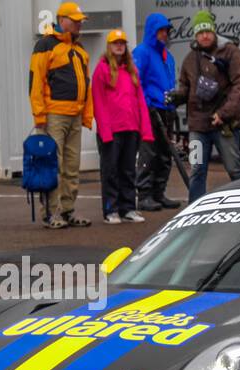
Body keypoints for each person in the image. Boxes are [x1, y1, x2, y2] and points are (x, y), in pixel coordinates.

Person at [170, 11, 240, 203]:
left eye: (207, 31)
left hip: (224, 125)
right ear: (195, 35)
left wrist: (224, 113)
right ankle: (194, 210)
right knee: (196, 170)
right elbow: (185, 88)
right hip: (197, 127)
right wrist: (174, 98)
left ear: (214, 32)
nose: (204, 35)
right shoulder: (190, 58)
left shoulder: (230, 52)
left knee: (234, 168)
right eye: (200, 32)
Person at [29, 2, 94, 228]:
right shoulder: (45, 45)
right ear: (62, 20)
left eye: (80, 21)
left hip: (74, 116)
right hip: (54, 115)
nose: (78, 25)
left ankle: (67, 211)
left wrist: (87, 116)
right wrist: (40, 116)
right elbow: (35, 82)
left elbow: (87, 85)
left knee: (71, 167)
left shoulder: (79, 49)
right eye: (75, 21)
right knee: (51, 166)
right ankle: (50, 213)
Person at [92, 30, 152, 224]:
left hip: (130, 127)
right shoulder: (101, 70)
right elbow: (99, 102)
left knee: (128, 170)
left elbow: (140, 101)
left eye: (122, 43)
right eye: (115, 43)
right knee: (110, 171)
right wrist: (105, 130)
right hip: (112, 129)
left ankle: (128, 208)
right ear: (109, 46)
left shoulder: (131, 71)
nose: (119, 46)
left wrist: (145, 129)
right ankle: (111, 209)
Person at [132, 11, 180, 212]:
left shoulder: (167, 56)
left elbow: (169, 81)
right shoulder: (141, 52)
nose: (164, 34)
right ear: (153, 31)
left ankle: (158, 192)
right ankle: (144, 195)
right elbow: (136, 81)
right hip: (150, 110)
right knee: (149, 152)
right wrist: (146, 104)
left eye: (166, 31)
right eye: (160, 30)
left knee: (165, 154)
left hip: (166, 109)